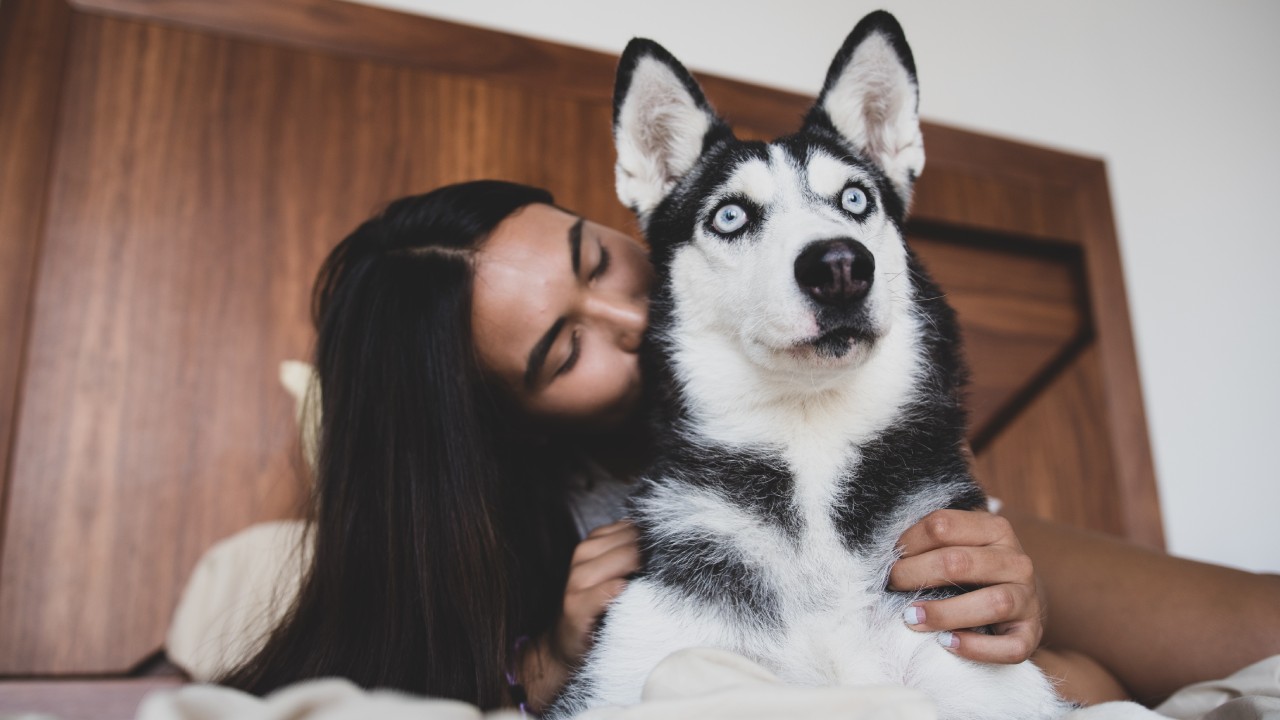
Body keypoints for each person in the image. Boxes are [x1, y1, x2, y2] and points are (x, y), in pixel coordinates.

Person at [219, 180, 1280, 714]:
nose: (632, 319)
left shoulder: (779, 300)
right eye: (560, 348)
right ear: (503, 424)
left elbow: (1082, 686)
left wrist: (1016, 615)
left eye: (598, 258)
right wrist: (539, 665)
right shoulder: (546, 556)